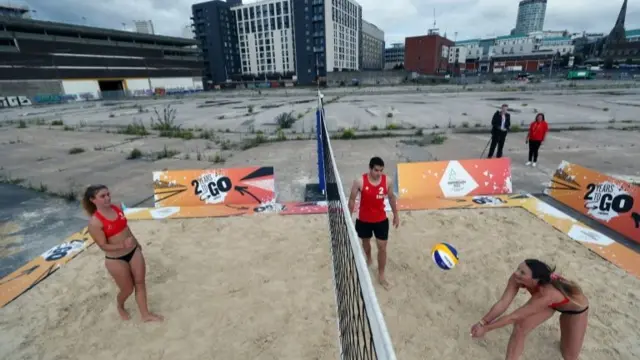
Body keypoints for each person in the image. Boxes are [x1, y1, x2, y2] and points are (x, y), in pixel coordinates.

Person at [471, 259, 589, 360]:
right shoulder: (517, 278)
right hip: (549, 303)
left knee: (569, 355)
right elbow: (503, 303)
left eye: (522, 272)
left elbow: (513, 316)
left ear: (535, 280)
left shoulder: (546, 294)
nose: (516, 273)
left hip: (574, 310)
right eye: (518, 268)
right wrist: (483, 322)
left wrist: (486, 329)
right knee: (520, 327)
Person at [82, 185, 164, 322]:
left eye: (108, 194)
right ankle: (120, 306)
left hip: (133, 251)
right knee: (127, 289)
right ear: (92, 200)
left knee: (140, 283)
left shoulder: (117, 208)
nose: (107, 198)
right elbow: (103, 246)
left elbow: (125, 227)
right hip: (116, 259)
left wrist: (136, 242)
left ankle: (145, 314)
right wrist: (122, 245)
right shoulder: (95, 223)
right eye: (102, 196)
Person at [348, 156, 399, 289]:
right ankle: (369, 258)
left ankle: (381, 275)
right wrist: (348, 217)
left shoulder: (387, 181)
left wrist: (396, 215)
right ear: (370, 168)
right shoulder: (360, 181)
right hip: (364, 220)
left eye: (381, 170)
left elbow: (392, 198)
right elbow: (352, 200)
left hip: (381, 220)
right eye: (376, 170)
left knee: (382, 247)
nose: (379, 173)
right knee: (366, 243)